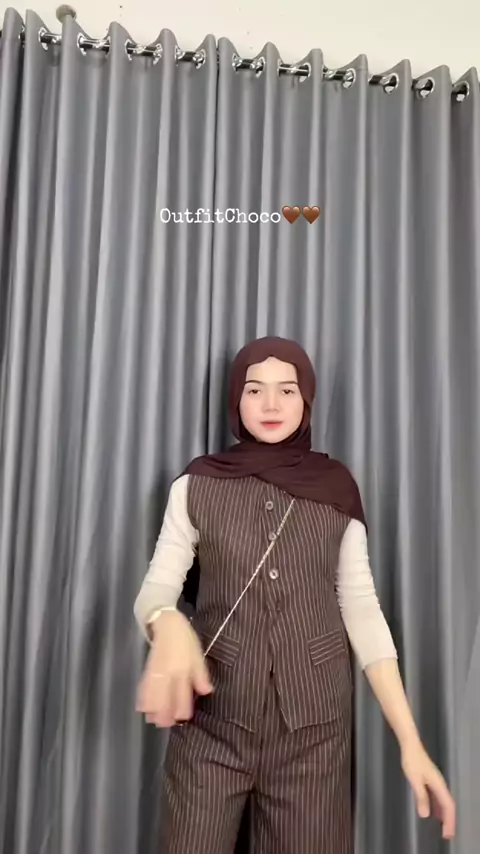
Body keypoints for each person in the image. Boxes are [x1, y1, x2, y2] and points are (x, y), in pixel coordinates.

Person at [134, 336, 456, 854]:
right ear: (236, 399)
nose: (271, 404)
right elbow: (156, 589)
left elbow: (362, 611)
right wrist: (165, 621)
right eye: (254, 389)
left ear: (306, 399)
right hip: (212, 727)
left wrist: (411, 744)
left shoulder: (337, 488)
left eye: (287, 390)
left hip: (314, 738)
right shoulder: (195, 485)